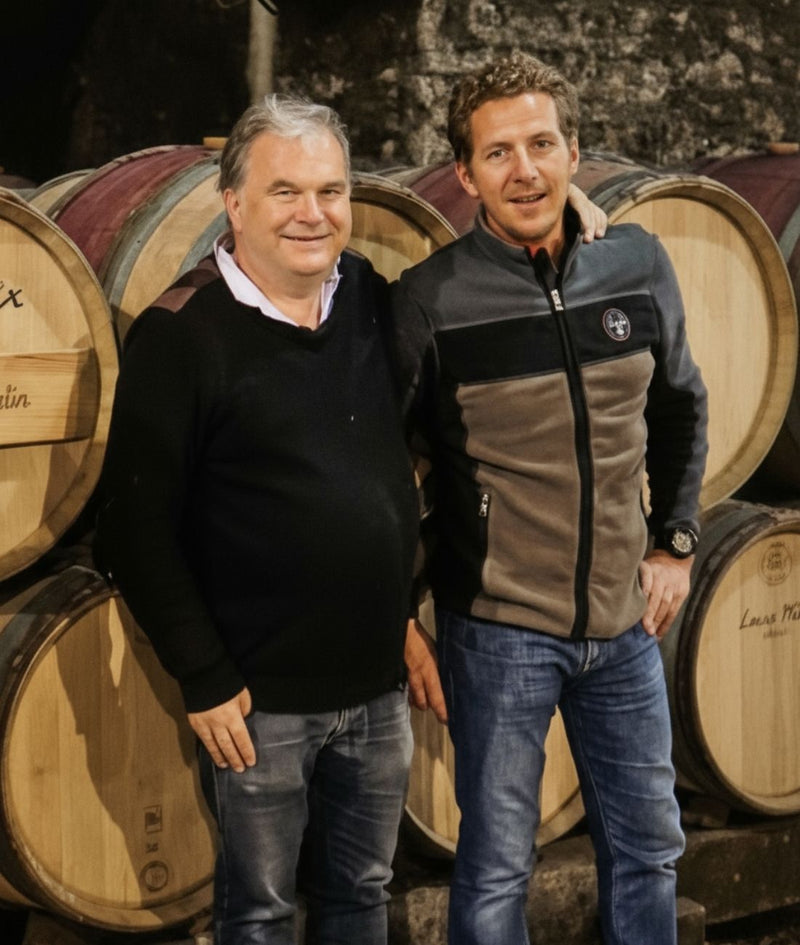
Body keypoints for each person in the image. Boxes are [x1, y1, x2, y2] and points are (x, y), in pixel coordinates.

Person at [393, 53, 708, 945]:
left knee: (649, 848)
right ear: (466, 176)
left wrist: (676, 541)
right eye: (497, 153)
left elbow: (680, 406)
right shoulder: (433, 300)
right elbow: (386, 467)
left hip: (624, 625)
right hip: (499, 631)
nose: (524, 169)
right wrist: (398, 610)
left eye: (541, 144)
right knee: (496, 867)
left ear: (575, 151)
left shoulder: (636, 263)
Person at [93, 94, 420, 945]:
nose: (314, 212)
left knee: (363, 895)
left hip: (376, 691)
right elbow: (132, 526)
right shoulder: (181, 334)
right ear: (233, 202)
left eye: (331, 191)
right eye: (286, 192)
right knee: (261, 914)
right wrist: (203, 673)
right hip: (259, 704)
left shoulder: (368, 299)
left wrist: (572, 214)